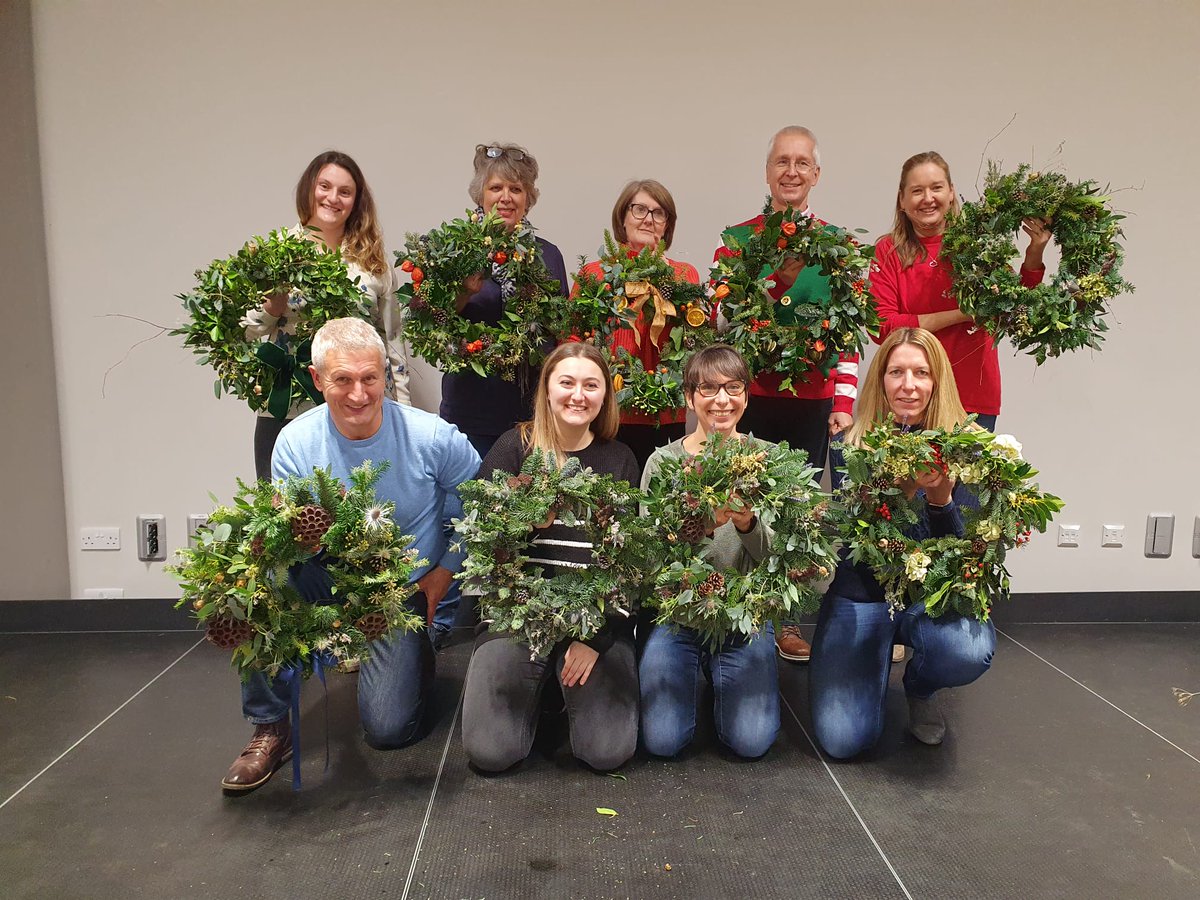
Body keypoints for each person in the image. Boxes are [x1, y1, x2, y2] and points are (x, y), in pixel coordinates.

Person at [221, 318, 479, 793]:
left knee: (388, 731)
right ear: (319, 380)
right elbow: (284, 535)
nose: (359, 394)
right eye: (343, 380)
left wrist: (445, 573)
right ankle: (269, 728)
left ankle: (420, 644)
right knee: (258, 583)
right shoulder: (295, 443)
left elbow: (480, 509)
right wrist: (294, 540)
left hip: (401, 590)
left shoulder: (434, 437)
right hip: (325, 574)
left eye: (370, 378)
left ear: (385, 373)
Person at [809, 327, 995, 758]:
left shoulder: (966, 447)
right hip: (864, 592)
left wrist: (941, 501)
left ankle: (920, 687)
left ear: (937, 381)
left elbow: (965, 558)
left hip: (931, 597)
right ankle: (868, 667)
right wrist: (899, 492)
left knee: (967, 649)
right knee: (843, 741)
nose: (908, 385)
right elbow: (858, 542)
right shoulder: (848, 444)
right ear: (881, 380)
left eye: (920, 373)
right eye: (896, 372)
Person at [713, 125, 859, 664]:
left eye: (802, 163)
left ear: (816, 174)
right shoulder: (739, 239)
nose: (791, 171)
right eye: (781, 161)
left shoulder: (838, 247)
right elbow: (722, 322)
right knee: (740, 502)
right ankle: (737, 610)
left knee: (793, 508)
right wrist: (775, 280)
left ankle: (784, 620)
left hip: (811, 401)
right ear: (768, 171)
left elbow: (848, 333)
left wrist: (843, 403)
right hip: (747, 398)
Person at [461, 342, 640, 773]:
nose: (578, 395)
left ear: (604, 396)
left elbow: (632, 563)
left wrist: (595, 638)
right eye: (567, 382)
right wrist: (525, 523)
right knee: (490, 752)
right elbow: (480, 543)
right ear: (546, 389)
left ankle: (560, 689)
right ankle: (538, 693)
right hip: (518, 619)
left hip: (593, 621)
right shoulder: (513, 448)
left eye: (591, 385)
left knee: (608, 752)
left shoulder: (619, 459)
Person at [638, 344, 780, 760]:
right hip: (678, 617)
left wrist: (747, 523)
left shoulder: (770, 460)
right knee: (663, 742)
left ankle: (722, 679)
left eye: (733, 388)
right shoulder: (663, 462)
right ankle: (691, 672)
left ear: (747, 396)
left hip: (745, 617)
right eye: (709, 389)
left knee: (751, 742)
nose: (722, 400)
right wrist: (702, 527)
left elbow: (783, 560)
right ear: (689, 397)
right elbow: (648, 557)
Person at [245, 150, 411, 480]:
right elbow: (246, 334)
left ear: (355, 200)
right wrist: (273, 305)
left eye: (344, 192)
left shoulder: (372, 263)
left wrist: (403, 411)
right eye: (325, 186)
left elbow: (392, 341)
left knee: (361, 520)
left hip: (358, 411)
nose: (333, 198)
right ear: (309, 188)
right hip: (287, 407)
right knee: (284, 520)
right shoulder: (276, 254)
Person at [870, 151, 1049, 432]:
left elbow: (1014, 307)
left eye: (936, 188)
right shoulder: (887, 252)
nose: (928, 198)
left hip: (972, 397)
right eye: (917, 191)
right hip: (910, 398)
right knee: (907, 477)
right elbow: (882, 327)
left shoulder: (977, 247)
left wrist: (1034, 253)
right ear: (902, 200)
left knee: (968, 477)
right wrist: (961, 314)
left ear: (951, 192)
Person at [438, 143, 570, 460]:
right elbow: (435, 320)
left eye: (516, 188)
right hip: (471, 411)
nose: (506, 197)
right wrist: (464, 291)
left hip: (531, 412)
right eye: (496, 187)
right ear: (480, 194)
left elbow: (561, 329)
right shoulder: (457, 249)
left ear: (528, 198)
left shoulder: (547, 255)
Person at [575, 180, 700, 470]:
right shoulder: (594, 274)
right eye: (640, 209)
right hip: (607, 410)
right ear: (623, 217)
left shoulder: (682, 276)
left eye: (659, 213)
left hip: (663, 411)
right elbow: (573, 340)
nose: (648, 219)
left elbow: (696, 341)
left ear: (667, 224)